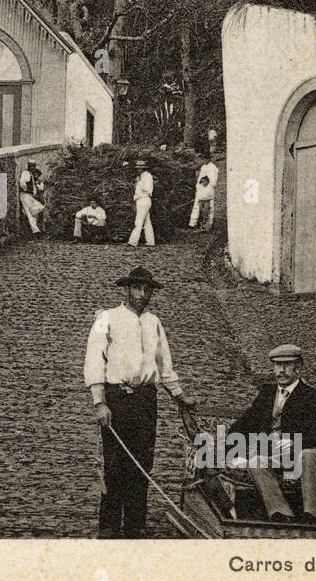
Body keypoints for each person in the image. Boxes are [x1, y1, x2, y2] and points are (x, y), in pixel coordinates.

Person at [83, 266, 195, 538]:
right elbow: (94, 361)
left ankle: (136, 522)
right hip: (117, 397)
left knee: (142, 462)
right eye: (137, 288)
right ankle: (109, 523)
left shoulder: (154, 322)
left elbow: (164, 364)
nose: (142, 295)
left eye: (147, 290)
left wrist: (179, 396)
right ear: (127, 289)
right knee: (114, 461)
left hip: (146, 399)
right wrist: (100, 402)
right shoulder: (106, 318)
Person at [226, 344, 316, 523]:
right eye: (277, 365)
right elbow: (244, 424)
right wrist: (231, 452)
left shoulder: (312, 397)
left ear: (298, 367)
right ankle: (282, 515)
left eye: (286, 365)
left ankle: (312, 517)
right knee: (256, 461)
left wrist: (296, 443)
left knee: (307, 455)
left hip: (306, 454)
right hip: (276, 456)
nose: (281, 371)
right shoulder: (267, 394)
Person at [127, 160, 155, 246]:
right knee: (147, 222)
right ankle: (150, 241)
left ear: (142, 169)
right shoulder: (143, 176)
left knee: (138, 221)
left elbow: (146, 188)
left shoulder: (146, 176)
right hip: (142, 200)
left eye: (139, 169)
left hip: (143, 199)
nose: (137, 170)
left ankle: (133, 241)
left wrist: (139, 182)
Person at [189, 157, 219, 230]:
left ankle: (207, 225)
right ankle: (193, 223)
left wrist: (205, 182)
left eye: (204, 159)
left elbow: (213, 181)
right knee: (197, 206)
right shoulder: (203, 167)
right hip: (201, 189)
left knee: (207, 207)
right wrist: (199, 185)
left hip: (207, 190)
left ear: (208, 159)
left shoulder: (213, 167)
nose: (202, 160)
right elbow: (200, 178)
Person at [19, 161, 46, 236]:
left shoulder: (34, 176)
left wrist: (38, 182)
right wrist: (26, 189)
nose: (33, 167)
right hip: (26, 195)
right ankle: (36, 231)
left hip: (30, 196)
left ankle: (36, 230)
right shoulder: (26, 173)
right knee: (31, 212)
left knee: (34, 211)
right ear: (29, 166)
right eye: (31, 166)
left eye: (34, 166)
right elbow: (22, 182)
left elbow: (41, 188)